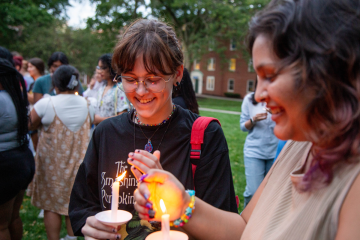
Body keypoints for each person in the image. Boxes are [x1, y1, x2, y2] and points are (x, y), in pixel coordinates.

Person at [134, 0, 360, 239]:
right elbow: (244, 227)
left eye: (270, 76)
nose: (259, 95)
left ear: (326, 70)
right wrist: (181, 203)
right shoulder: (299, 145)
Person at [69, 19, 238, 240]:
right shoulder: (106, 133)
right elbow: (83, 205)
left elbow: (225, 226)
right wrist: (89, 223)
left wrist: (172, 196)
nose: (140, 91)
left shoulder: (205, 135)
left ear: (177, 74)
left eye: (153, 79)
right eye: (130, 79)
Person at [29, 65, 95, 240]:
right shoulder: (88, 104)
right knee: (71, 203)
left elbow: (29, 125)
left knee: (51, 206)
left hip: (51, 167)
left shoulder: (46, 103)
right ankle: (71, 238)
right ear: (75, 84)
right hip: (78, 165)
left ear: (55, 83)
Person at [0, 57, 35, 240]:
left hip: (5, 164)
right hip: (21, 158)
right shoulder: (15, 96)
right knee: (13, 217)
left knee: (1, 225)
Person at [240, 81, 278, 207]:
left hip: (275, 152)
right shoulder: (249, 100)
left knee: (270, 193)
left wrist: (277, 114)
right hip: (254, 152)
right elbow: (243, 127)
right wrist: (253, 120)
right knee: (253, 192)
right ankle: (245, 221)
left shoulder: (280, 101)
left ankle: (262, 223)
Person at [93, 53, 129, 125]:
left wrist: (100, 120)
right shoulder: (101, 88)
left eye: (103, 68)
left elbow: (122, 116)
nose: (100, 71)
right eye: (99, 68)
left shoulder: (120, 88)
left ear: (111, 67)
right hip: (100, 132)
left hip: (113, 132)